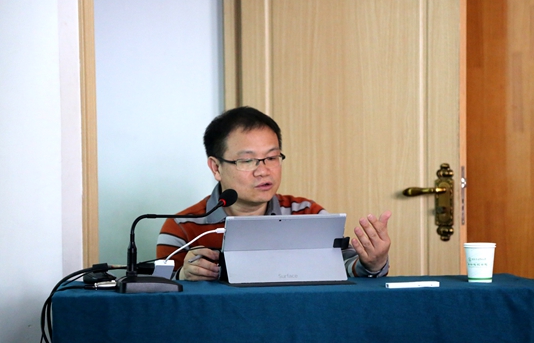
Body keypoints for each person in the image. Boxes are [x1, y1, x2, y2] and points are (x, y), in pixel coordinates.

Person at [157, 106, 391, 281]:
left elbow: (345, 268)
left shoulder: (307, 214)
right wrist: (183, 276)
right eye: (247, 160)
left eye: (271, 157)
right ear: (216, 167)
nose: (263, 171)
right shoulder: (182, 227)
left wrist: (371, 263)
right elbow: (156, 291)